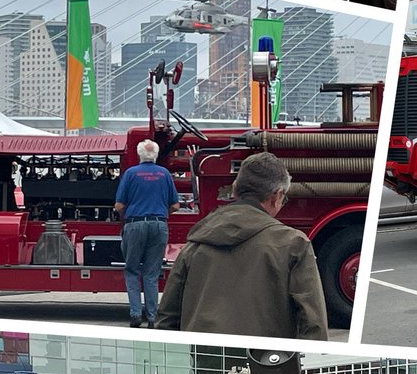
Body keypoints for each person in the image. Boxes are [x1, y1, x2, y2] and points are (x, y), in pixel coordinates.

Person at [157, 152, 328, 340]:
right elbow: (314, 324)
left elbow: (166, 318)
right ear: (276, 195)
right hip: (266, 365)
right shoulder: (293, 245)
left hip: (205, 362)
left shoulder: (196, 243)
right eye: (283, 198)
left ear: (235, 189)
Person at [113, 140, 180, 329]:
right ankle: (152, 317)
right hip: (159, 225)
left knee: (132, 270)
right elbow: (175, 205)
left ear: (139, 154)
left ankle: (135, 315)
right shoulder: (165, 174)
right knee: (151, 273)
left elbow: (119, 205)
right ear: (156, 155)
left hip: (135, 225)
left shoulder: (131, 174)